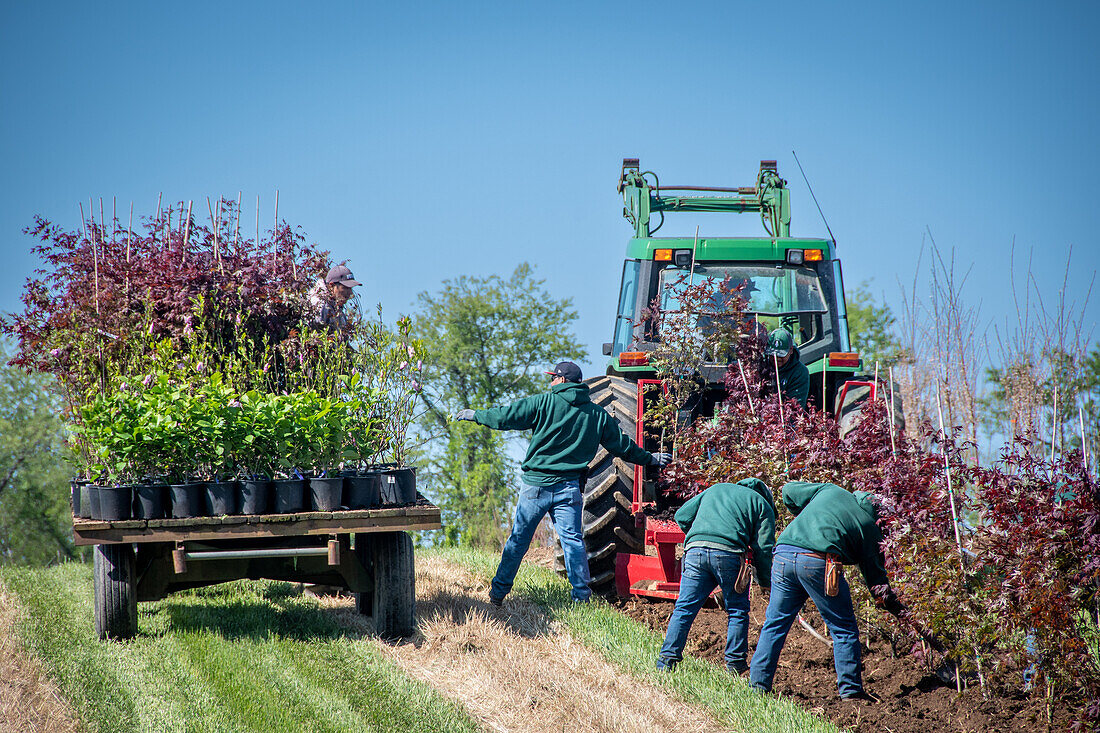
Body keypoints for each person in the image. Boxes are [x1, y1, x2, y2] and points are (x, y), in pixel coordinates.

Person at [455, 361, 671, 604]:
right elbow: (623, 447)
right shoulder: (597, 414)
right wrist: (650, 458)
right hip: (569, 489)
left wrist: (477, 416)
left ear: (563, 380)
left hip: (535, 486)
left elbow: (507, 416)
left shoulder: (543, 403)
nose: (551, 382)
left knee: (518, 540)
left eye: (553, 378)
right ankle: (581, 596)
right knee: (573, 542)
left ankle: (497, 594)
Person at [749, 481, 902, 701]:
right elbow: (877, 585)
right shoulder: (870, 527)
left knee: (775, 623)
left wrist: (809, 516)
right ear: (881, 517)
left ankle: (758, 686)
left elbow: (788, 490)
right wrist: (899, 610)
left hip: (782, 554)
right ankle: (851, 691)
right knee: (844, 628)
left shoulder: (831, 490)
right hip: (819, 564)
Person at [656, 478, 776, 674]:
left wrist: (699, 534)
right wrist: (764, 581)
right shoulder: (761, 504)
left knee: (684, 608)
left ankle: (666, 662)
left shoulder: (716, 489)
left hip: (694, 551)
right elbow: (764, 548)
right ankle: (735, 665)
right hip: (728, 554)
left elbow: (682, 515)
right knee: (737, 609)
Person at [763, 328, 809, 409]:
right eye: (772, 354)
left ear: (791, 350)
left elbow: (796, 407)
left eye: (781, 355)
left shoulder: (800, 372)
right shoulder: (761, 366)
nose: (776, 358)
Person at [309, 264, 362, 331]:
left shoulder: (336, 308)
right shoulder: (318, 303)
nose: (350, 293)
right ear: (331, 286)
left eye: (350, 288)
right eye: (345, 288)